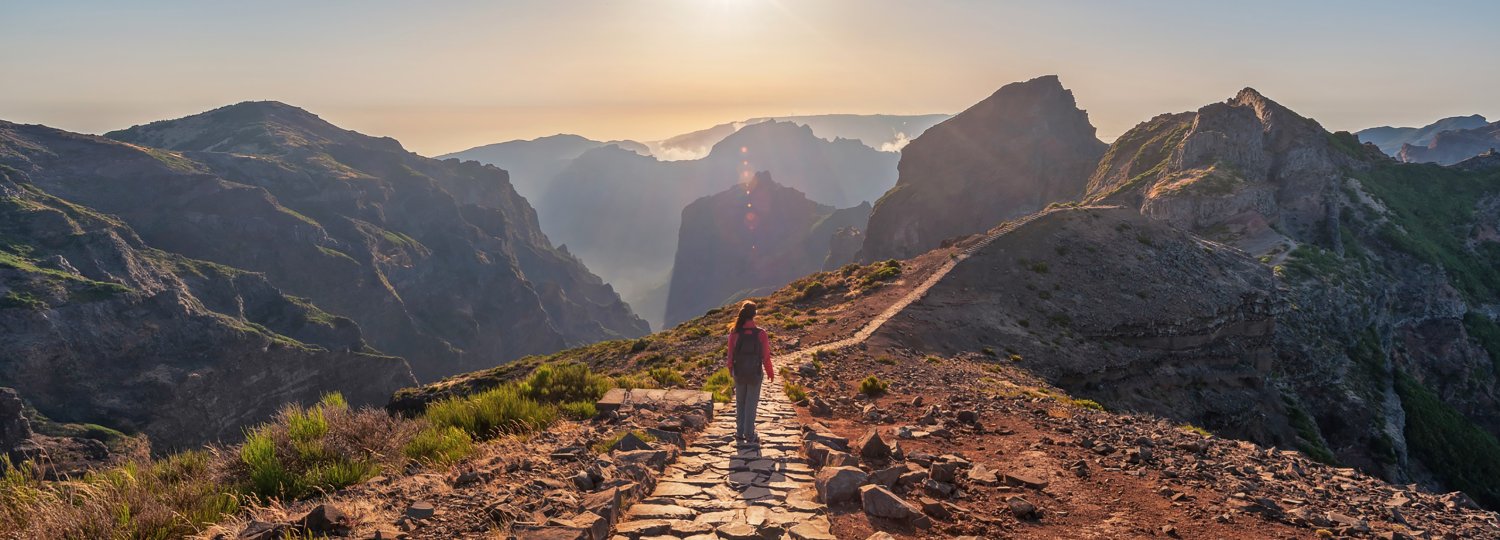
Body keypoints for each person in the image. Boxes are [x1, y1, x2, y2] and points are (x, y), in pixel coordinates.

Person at [726, 301, 774, 444]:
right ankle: (750, 434)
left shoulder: (734, 333)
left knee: (740, 402)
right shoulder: (761, 334)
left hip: (739, 372)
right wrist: (770, 372)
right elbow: (766, 356)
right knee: (751, 403)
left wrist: (731, 370)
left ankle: (740, 433)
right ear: (754, 315)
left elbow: (730, 356)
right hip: (755, 373)